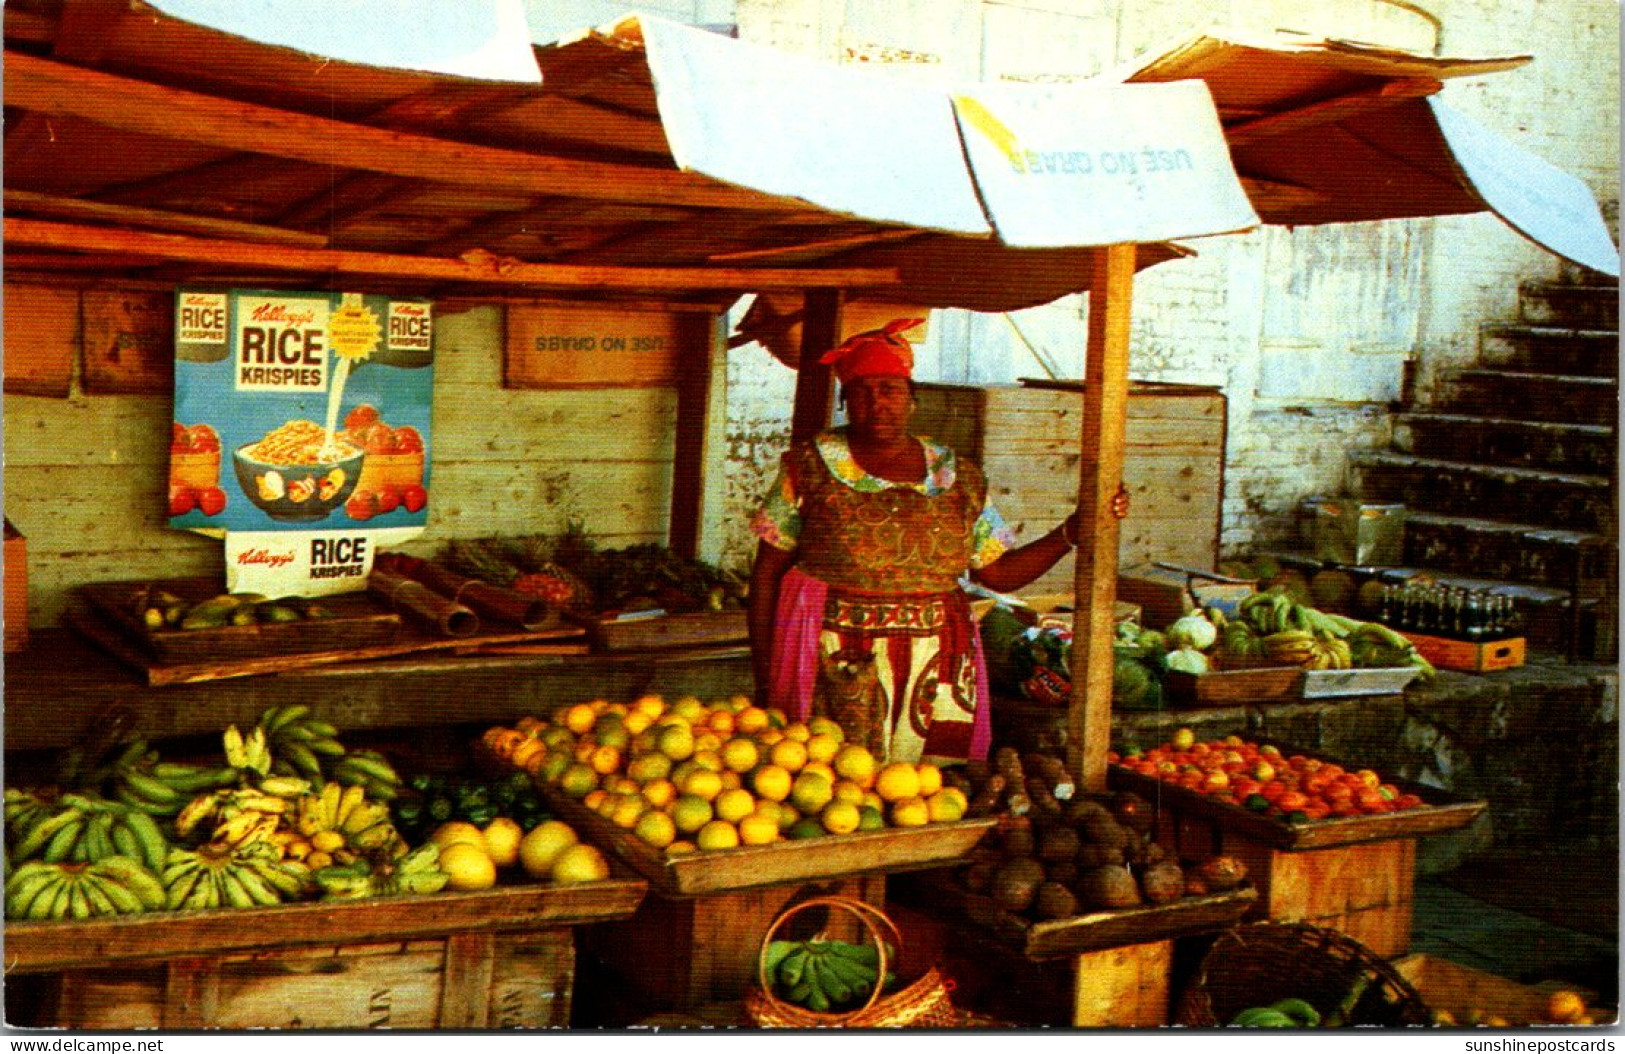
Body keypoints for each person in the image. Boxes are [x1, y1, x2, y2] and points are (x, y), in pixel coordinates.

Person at [748, 318, 1128, 765]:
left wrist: (1073, 531)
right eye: (862, 392)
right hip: (834, 657)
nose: (877, 403)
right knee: (831, 780)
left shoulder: (957, 477)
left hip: (937, 659)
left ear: (912, 398)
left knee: (928, 788)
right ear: (845, 402)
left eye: (889, 389)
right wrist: (764, 674)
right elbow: (767, 573)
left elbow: (996, 573)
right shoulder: (809, 468)